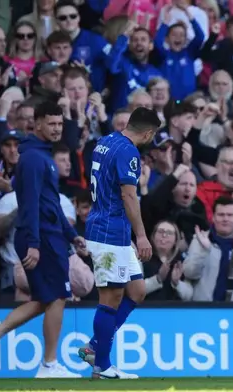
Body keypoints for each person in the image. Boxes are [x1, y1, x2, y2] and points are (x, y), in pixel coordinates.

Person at [0, 101, 89, 378]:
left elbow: (51, 204)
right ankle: (47, 364)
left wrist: (72, 235)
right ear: (38, 124)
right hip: (42, 238)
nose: (57, 128)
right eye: (52, 123)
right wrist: (34, 242)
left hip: (49, 236)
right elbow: (30, 203)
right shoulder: (35, 158)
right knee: (57, 296)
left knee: (49, 298)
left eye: (60, 124)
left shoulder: (41, 156)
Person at [78, 107, 162, 379]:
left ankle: (94, 345)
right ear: (148, 133)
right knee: (111, 297)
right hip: (108, 232)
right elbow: (128, 196)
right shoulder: (129, 152)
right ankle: (102, 365)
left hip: (112, 230)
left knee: (136, 291)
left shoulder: (105, 142)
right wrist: (141, 235)